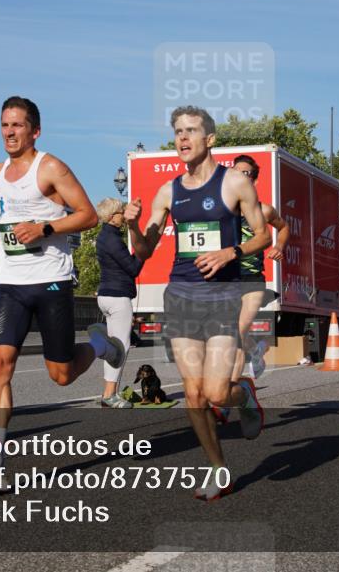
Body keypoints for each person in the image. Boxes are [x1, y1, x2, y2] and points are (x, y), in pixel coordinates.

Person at [0, 96, 124, 489]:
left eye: (17, 125)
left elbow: (88, 214)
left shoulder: (51, 167)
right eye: (4, 125)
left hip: (50, 281)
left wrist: (46, 228)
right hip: (10, 284)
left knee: (62, 375)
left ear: (34, 130)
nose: (9, 132)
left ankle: (102, 346)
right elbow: (6, 213)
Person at [124, 106, 270, 501]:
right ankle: (219, 470)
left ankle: (245, 396)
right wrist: (134, 225)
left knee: (218, 394)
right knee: (193, 395)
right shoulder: (168, 191)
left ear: (210, 140)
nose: (183, 139)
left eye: (191, 131)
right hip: (182, 296)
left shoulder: (235, 183)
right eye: (178, 132)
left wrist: (230, 253)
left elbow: (263, 236)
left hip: (222, 296)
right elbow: (145, 249)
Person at [230, 154, 289, 381]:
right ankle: (256, 349)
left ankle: (231, 387)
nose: (240, 176)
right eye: (236, 172)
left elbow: (283, 228)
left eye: (245, 173)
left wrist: (279, 246)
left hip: (252, 279)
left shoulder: (264, 210)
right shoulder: (223, 212)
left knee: (237, 332)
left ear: (253, 180)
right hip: (228, 278)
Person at [94, 197, 145, 408]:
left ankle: (109, 392)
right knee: (121, 347)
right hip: (117, 297)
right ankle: (110, 395)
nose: (123, 216)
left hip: (105, 295)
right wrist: (143, 253)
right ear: (111, 216)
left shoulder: (103, 237)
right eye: (120, 212)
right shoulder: (113, 239)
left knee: (115, 345)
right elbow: (132, 268)